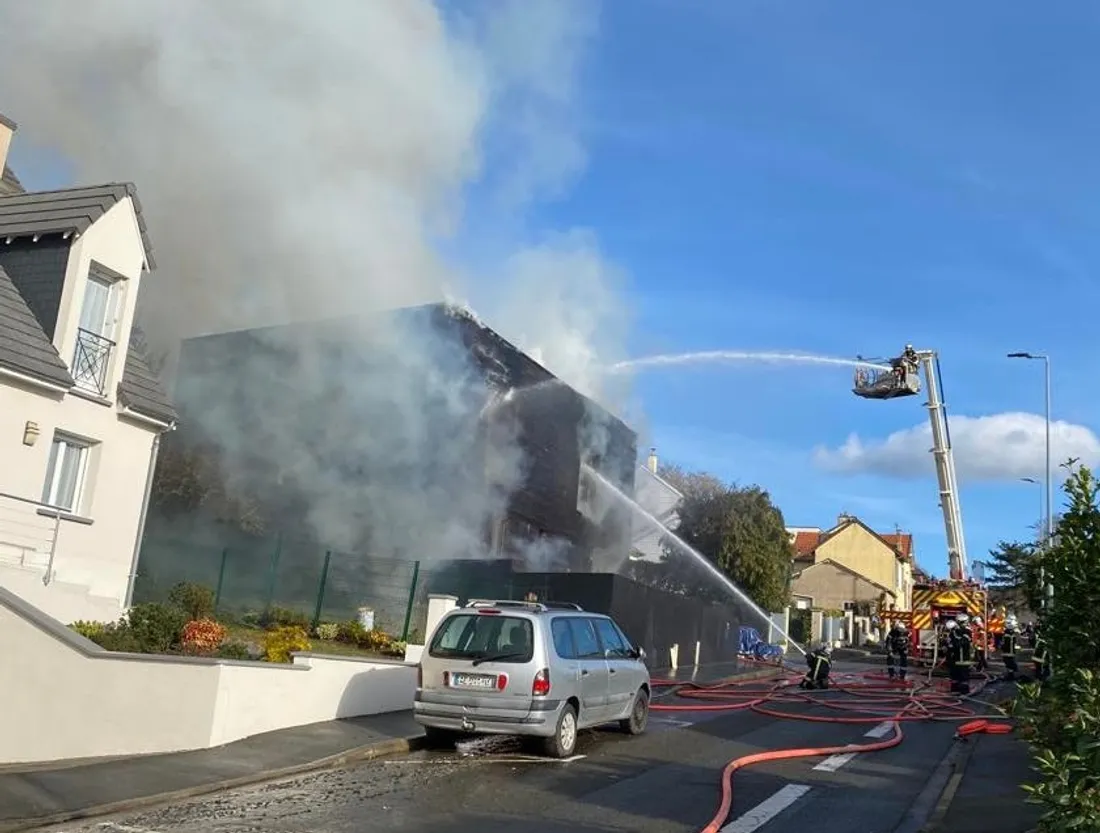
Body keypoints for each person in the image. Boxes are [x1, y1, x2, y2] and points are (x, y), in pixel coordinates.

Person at [946, 614, 974, 695]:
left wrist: (954, 643)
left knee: (963, 676)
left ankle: (964, 692)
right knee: (955, 675)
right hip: (955, 658)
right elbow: (949, 644)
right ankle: (955, 690)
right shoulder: (953, 632)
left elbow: (963, 642)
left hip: (963, 658)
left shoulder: (967, 632)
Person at [1000, 616, 1020, 681]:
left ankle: (1011, 675)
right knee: (1008, 663)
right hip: (1009, 651)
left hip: (1008, 652)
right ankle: (1010, 674)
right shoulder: (1011, 633)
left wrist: (1002, 646)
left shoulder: (1008, 634)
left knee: (1008, 662)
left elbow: (1006, 643)